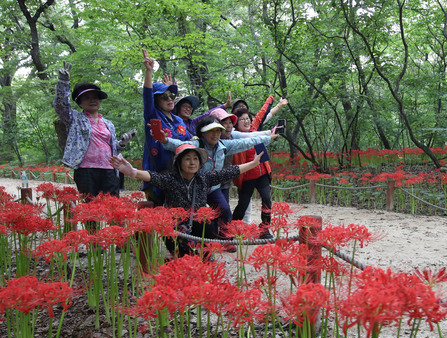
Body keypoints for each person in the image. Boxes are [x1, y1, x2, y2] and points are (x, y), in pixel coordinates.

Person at [109, 144, 263, 256]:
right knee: (182, 248)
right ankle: (184, 256)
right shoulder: (170, 179)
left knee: (209, 224)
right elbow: (152, 176)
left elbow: (229, 172)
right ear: (179, 163)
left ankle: (205, 255)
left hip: (199, 225)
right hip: (177, 225)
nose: (192, 162)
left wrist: (253, 164)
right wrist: (133, 172)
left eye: (195, 159)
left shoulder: (204, 178)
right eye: (188, 159)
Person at [159, 112, 278, 238]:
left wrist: (269, 138)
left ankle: (225, 239)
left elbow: (247, 141)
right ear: (203, 133)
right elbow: (178, 145)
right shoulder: (196, 145)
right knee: (195, 216)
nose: (215, 134)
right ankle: (192, 240)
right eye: (211, 131)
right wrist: (165, 140)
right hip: (196, 188)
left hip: (214, 188)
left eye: (218, 131)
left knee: (225, 211)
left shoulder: (224, 145)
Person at [53, 61, 133, 199]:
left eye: (95, 97)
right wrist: (63, 82)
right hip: (86, 169)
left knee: (113, 206)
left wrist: (122, 143)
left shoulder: (108, 124)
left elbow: (114, 148)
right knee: (90, 208)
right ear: (80, 103)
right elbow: (60, 105)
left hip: (109, 169)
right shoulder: (75, 119)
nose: (92, 100)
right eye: (87, 98)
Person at [231, 96, 288, 237]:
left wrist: (272, 100)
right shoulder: (234, 136)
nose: (246, 121)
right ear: (235, 122)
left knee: (267, 199)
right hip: (246, 176)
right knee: (243, 205)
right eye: (242, 119)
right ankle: (231, 230)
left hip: (262, 173)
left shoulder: (254, 127)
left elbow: (264, 114)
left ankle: (264, 229)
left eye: (247, 118)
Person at [141, 49, 191, 205]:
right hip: (157, 174)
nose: (170, 99)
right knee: (156, 214)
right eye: (164, 96)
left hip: (178, 175)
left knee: (175, 213)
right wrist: (148, 72)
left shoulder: (178, 120)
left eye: (172, 96)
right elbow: (147, 96)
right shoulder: (153, 115)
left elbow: (189, 140)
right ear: (156, 100)